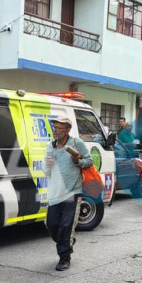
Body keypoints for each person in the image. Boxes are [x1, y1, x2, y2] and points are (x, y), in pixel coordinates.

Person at [44, 116, 91, 272]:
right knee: (52, 224)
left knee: (66, 225)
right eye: (54, 128)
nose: (55, 131)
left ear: (68, 129)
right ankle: (68, 241)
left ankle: (64, 258)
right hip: (55, 193)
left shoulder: (77, 144)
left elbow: (90, 161)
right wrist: (48, 164)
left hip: (73, 191)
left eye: (59, 128)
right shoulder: (50, 146)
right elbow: (45, 171)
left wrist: (78, 161)